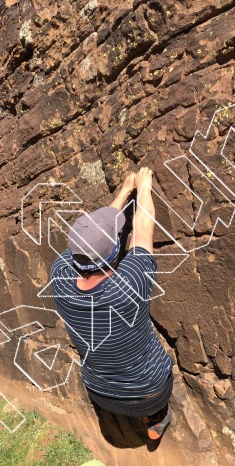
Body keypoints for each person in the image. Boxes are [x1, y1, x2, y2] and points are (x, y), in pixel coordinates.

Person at [50, 167, 173, 440]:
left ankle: (137, 413)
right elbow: (142, 228)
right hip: (148, 391)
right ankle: (156, 417)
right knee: (152, 395)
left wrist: (123, 191)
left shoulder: (58, 274)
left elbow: (90, 239)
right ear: (116, 250)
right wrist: (142, 186)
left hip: (100, 391)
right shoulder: (128, 284)